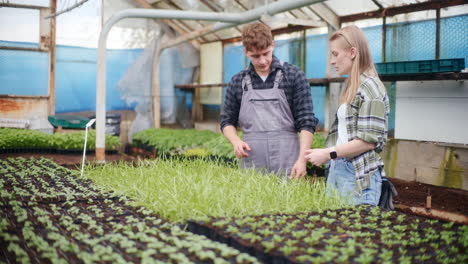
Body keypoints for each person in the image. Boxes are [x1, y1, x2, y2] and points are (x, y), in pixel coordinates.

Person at [305, 25, 391, 206]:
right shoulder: (352, 84)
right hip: (340, 168)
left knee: (353, 231)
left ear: (352, 52)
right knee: (333, 230)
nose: (331, 61)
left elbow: (369, 141)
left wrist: (328, 153)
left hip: (357, 174)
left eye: (335, 54)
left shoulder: (371, 88)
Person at [220, 22, 318, 178]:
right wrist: (235, 141)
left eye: (266, 53)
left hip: (289, 159)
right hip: (252, 158)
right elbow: (227, 121)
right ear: (246, 52)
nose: (263, 60)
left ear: (273, 45)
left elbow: (306, 121)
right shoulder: (238, 81)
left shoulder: (293, 75)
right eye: (256, 56)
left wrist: (302, 160)